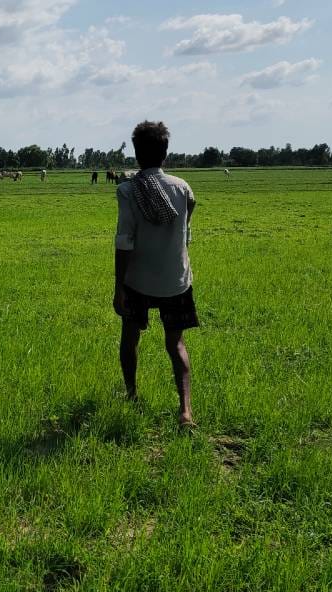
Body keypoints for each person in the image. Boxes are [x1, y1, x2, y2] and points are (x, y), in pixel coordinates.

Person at [113, 121, 198, 428]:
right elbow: (187, 227)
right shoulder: (183, 188)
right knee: (176, 344)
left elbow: (124, 241)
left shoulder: (127, 190)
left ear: (136, 154)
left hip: (138, 281)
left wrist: (118, 286)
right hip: (176, 281)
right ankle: (186, 410)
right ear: (166, 153)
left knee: (130, 337)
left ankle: (132, 395)